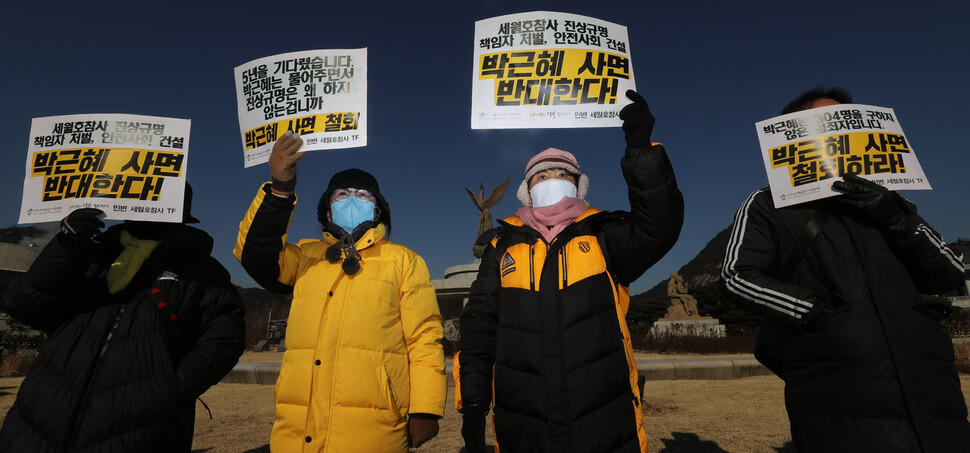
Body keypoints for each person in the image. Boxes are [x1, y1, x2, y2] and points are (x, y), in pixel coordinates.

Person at [721, 87, 970, 452]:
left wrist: (896, 217)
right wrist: (821, 315)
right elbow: (737, 276)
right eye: (823, 123)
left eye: (844, 122)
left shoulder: (893, 200)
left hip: (932, 391)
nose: (839, 134)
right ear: (794, 133)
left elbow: (950, 274)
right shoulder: (767, 204)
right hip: (837, 389)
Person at [455, 90, 685, 453]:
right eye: (541, 175)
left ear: (579, 185)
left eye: (562, 173)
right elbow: (479, 329)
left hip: (605, 421)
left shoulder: (605, 233)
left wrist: (641, 149)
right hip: (522, 423)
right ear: (527, 192)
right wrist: (472, 405)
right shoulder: (501, 246)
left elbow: (661, 225)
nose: (551, 179)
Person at [233, 131, 446, 452]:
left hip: (374, 428)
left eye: (363, 195)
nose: (351, 199)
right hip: (297, 424)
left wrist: (426, 408)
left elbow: (424, 338)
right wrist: (280, 190)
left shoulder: (403, 260)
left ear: (378, 211)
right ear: (328, 211)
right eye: (341, 194)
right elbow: (254, 255)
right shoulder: (305, 255)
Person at [0, 184, 246, 452]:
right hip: (36, 422)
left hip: (142, 431)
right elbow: (22, 305)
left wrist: (173, 388)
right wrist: (64, 246)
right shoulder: (92, 252)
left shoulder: (203, 271)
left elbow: (224, 339)